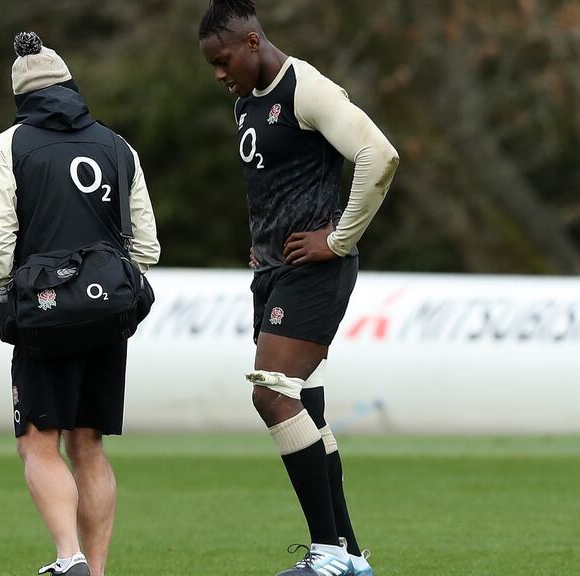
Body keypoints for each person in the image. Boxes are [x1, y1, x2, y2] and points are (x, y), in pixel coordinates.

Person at [198, 2, 399, 575]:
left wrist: (338, 238)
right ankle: (351, 556)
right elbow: (274, 183)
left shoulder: (306, 89)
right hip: (275, 270)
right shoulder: (246, 100)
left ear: (253, 41)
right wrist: (260, 243)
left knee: (271, 392)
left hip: (316, 270)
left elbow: (378, 155)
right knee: (305, 403)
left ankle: (328, 553)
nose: (218, 73)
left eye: (223, 59)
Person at [0, 32, 160, 576]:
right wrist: (119, 287)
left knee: (37, 440)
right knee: (89, 443)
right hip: (108, 315)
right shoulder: (118, 146)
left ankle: (68, 557)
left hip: (43, 313)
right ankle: (96, 570)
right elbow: (146, 243)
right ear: (71, 87)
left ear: (21, 98)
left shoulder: (6, 146)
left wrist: (8, 297)